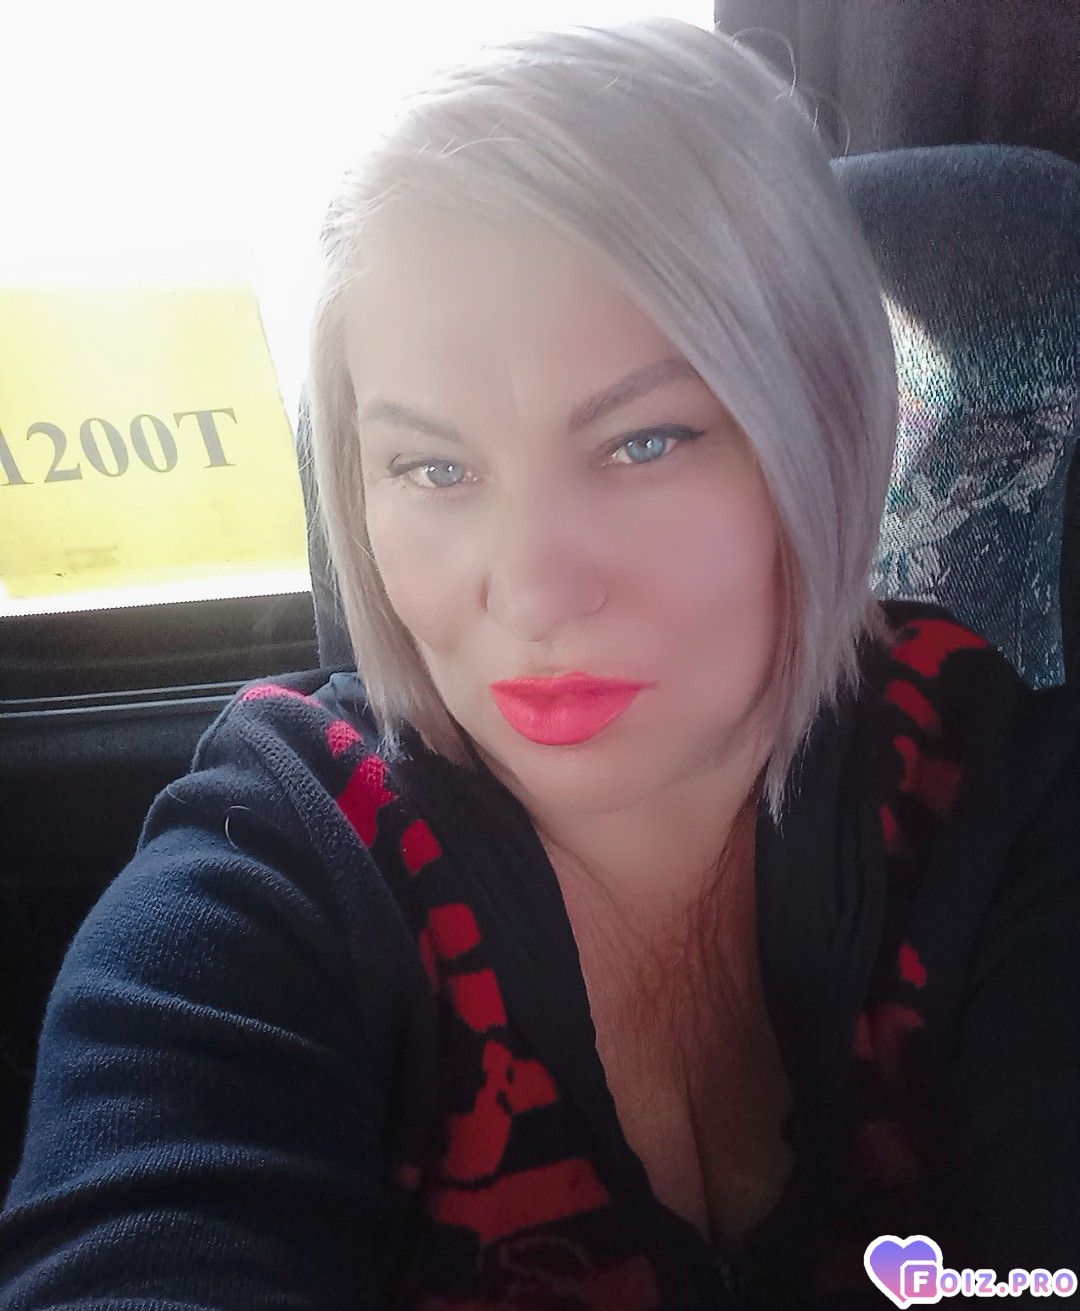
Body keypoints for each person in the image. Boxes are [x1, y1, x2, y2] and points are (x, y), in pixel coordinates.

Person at [1, 17, 1078, 1310]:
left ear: (823, 428)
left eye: (644, 443)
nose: (530, 589)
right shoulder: (286, 865)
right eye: (433, 467)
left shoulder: (990, 791)